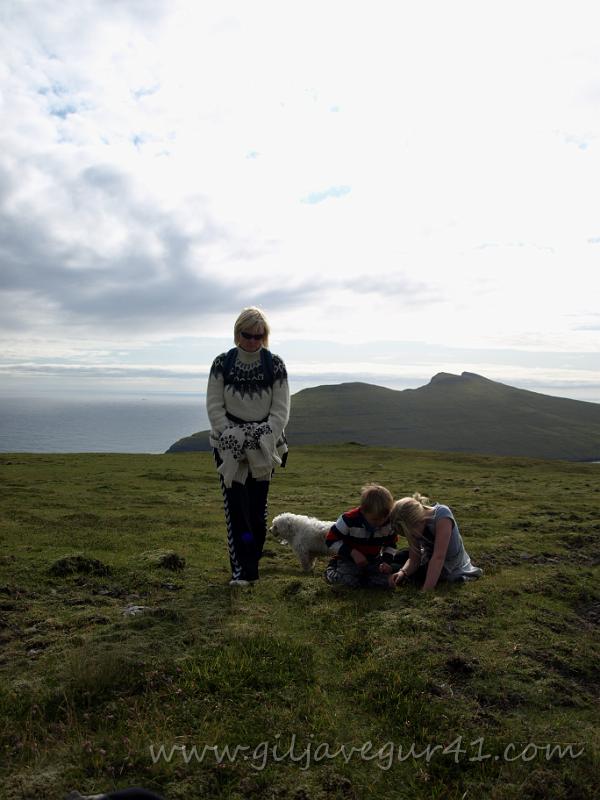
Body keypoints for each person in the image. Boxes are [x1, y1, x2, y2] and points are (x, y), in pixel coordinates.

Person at [206, 307, 290, 586]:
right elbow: (214, 405)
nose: (253, 341)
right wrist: (232, 435)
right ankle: (242, 572)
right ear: (237, 333)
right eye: (247, 335)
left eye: (259, 335)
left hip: (264, 448)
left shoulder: (275, 365)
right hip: (229, 449)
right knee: (236, 510)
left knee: (257, 511)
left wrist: (259, 437)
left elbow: (281, 410)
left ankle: (251, 567)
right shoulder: (222, 363)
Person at [382, 493, 483, 591]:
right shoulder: (414, 525)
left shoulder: (442, 516)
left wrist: (427, 589)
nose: (412, 537)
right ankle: (392, 569)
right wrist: (402, 572)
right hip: (428, 558)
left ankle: (391, 569)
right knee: (401, 555)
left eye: (411, 535)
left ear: (418, 521)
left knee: (418, 575)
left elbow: (438, 557)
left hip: (448, 566)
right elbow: (414, 558)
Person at [325, 484, 397, 589]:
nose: (379, 523)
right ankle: (332, 570)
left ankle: (363, 579)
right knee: (347, 582)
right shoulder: (348, 520)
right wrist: (353, 553)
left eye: (383, 518)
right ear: (363, 511)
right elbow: (330, 540)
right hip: (347, 560)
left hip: (374, 561)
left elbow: (391, 545)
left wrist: (386, 562)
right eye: (375, 520)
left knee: (388, 584)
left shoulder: (389, 522)